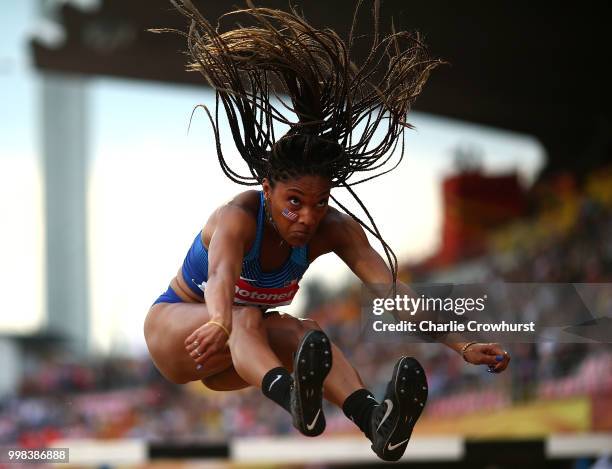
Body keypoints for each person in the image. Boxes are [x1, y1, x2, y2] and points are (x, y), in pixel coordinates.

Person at [144, 0, 511, 462]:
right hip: (180, 331)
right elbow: (220, 279)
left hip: (239, 356)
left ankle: (376, 421)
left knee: (308, 334)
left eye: (319, 203)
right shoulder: (237, 217)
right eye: (293, 202)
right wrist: (217, 319)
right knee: (245, 314)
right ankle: (292, 395)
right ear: (266, 189)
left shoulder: (334, 230)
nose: (307, 217)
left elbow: (396, 294)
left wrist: (464, 343)